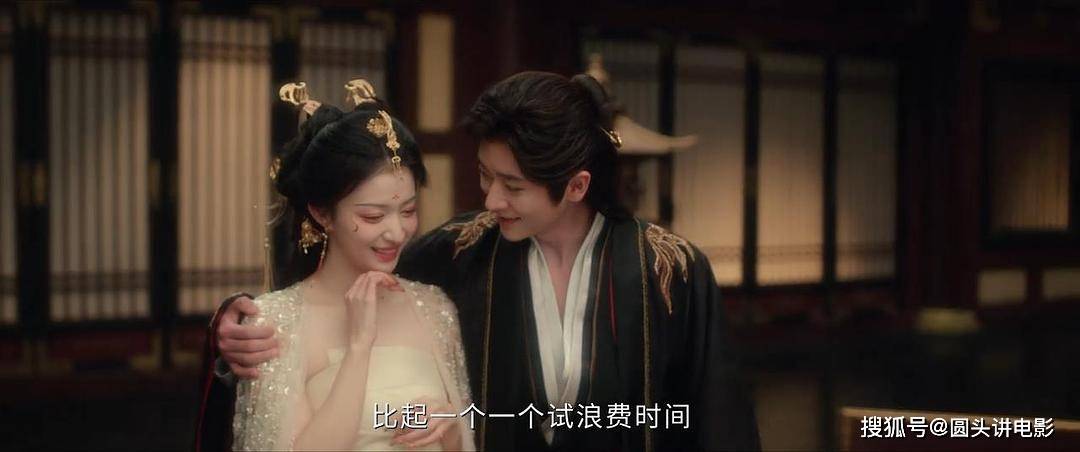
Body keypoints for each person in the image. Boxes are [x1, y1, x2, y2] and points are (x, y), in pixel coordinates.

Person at [204, 72, 760, 451]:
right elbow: (343, 280)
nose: (491, 200)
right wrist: (235, 320)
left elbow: (715, 419)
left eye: (512, 186)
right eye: (485, 176)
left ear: (575, 186)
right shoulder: (461, 251)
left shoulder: (669, 269)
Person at [210, 80, 475, 451]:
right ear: (322, 213)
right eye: (372, 216)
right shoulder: (275, 323)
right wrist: (359, 347)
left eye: (408, 211)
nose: (397, 232)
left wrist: (449, 426)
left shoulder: (434, 308)